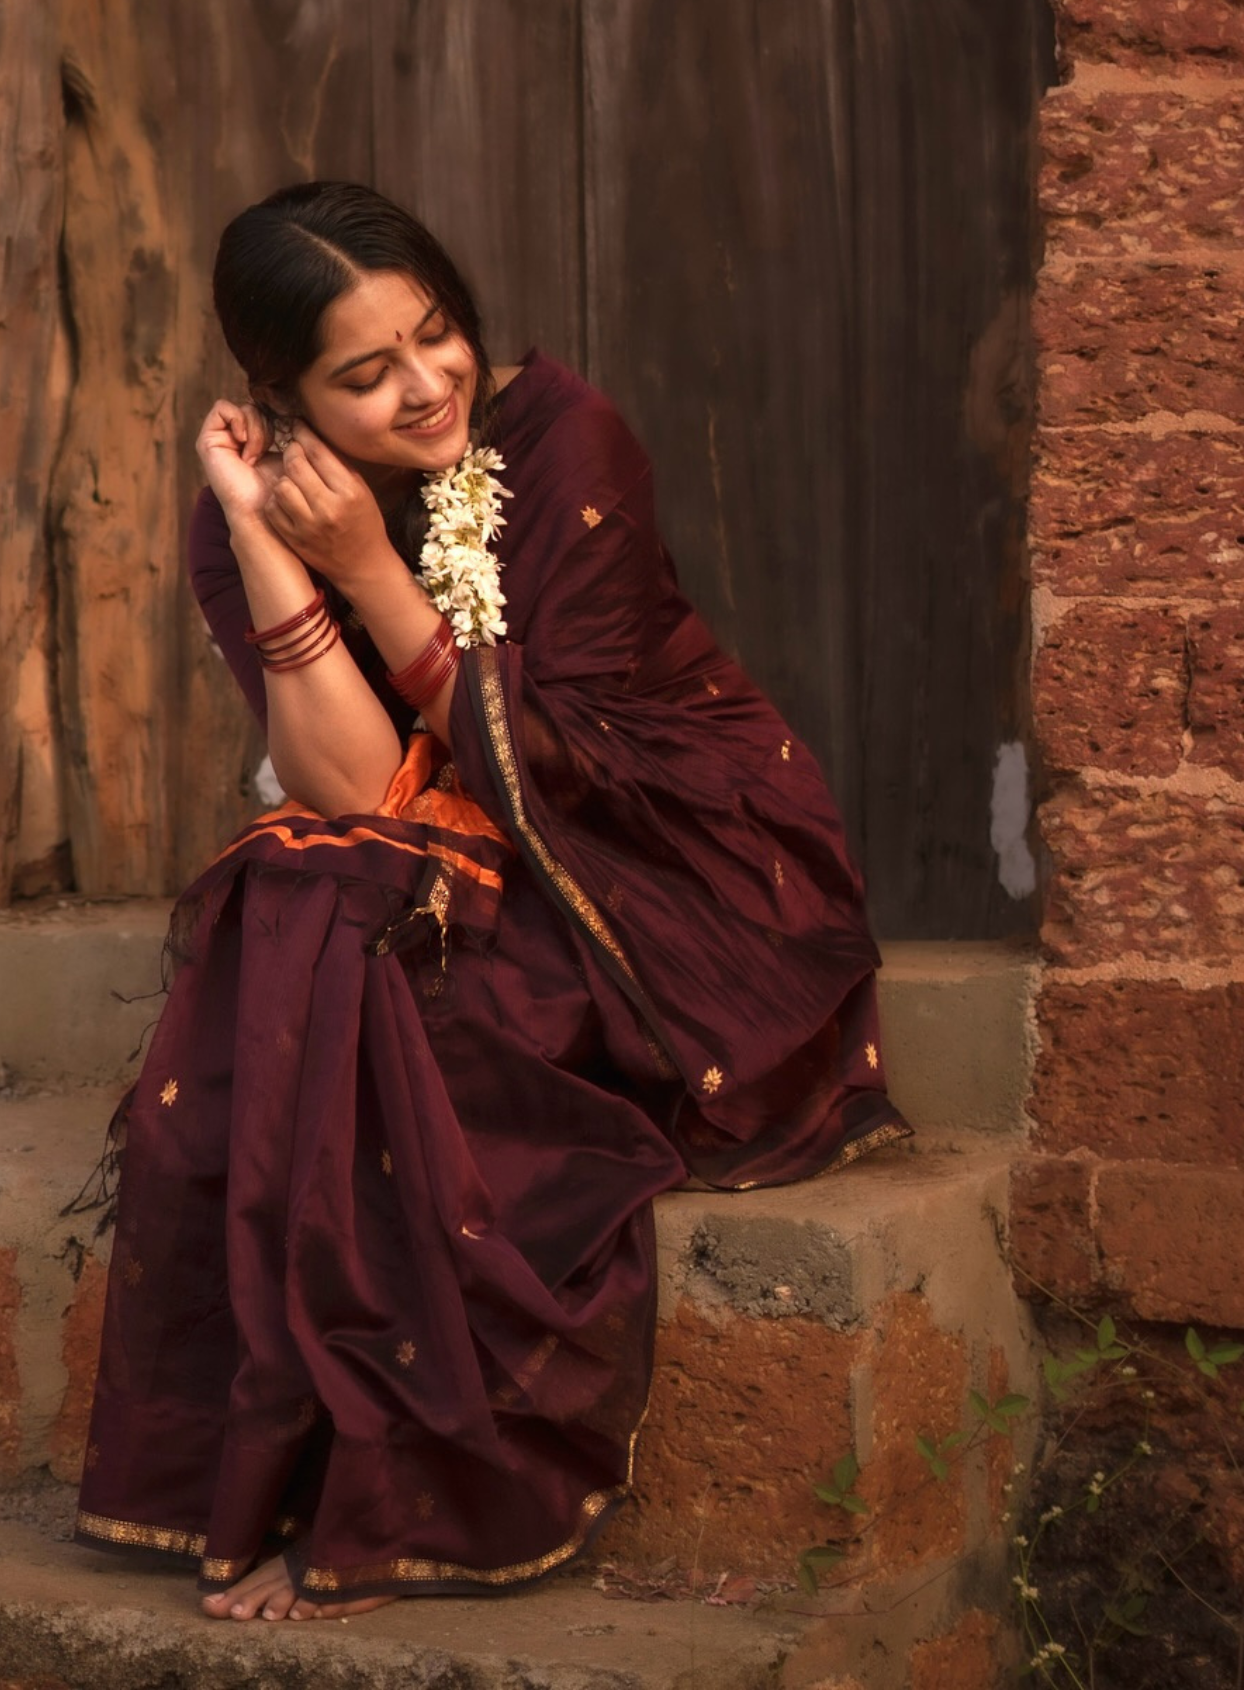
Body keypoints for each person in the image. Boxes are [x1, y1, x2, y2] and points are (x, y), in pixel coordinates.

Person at [75, 181, 909, 1622]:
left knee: (359, 942)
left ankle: (382, 1484)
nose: (424, 386)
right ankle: (325, 1470)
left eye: (437, 333)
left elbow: (565, 764)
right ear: (282, 394)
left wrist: (368, 575)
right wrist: (268, 539)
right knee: (307, 887)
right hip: (438, 843)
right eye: (364, 373)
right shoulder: (259, 514)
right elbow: (348, 778)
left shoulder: (564, 440)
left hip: (661, 860)